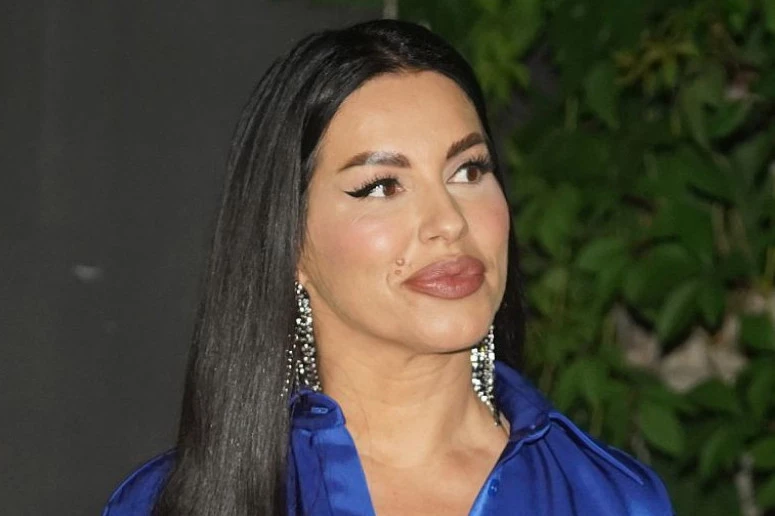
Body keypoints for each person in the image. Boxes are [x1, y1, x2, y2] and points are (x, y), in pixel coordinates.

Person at [103, 19, 673, 515]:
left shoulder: (609, 498)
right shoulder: (167, 503)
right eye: (382, 186)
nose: (447, 221)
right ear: (289, 242)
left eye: (469, 171)